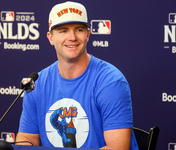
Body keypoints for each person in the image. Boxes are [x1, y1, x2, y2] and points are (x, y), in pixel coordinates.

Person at [16, 1, 139, 150]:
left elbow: (117, 147)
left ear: (87, 34)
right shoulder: (37, 83)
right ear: (50, 37)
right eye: (63, 31)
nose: (72, 37)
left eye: (79, 30)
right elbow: (27, 139)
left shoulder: (111, 82)